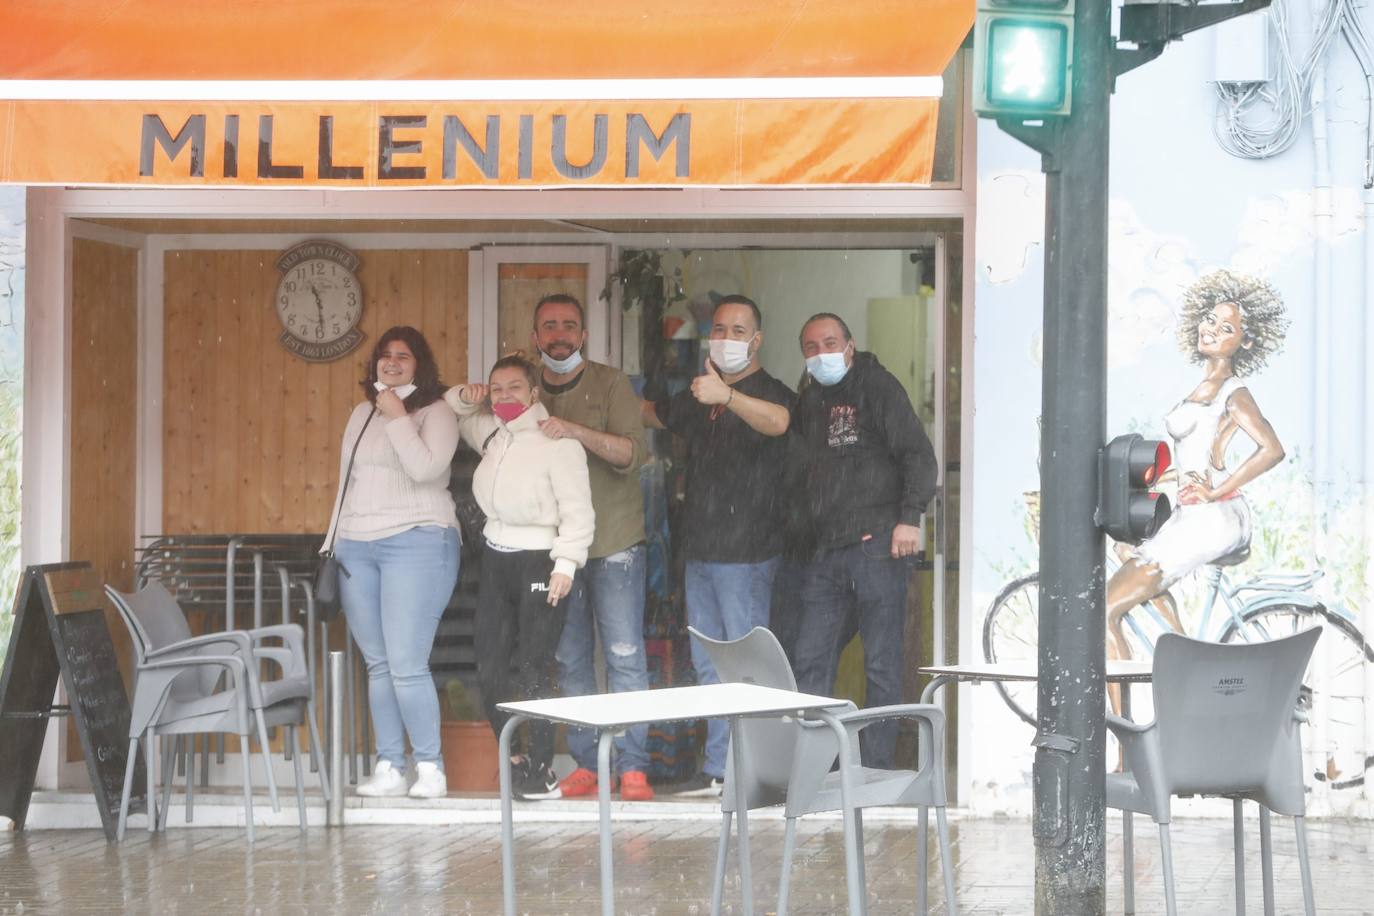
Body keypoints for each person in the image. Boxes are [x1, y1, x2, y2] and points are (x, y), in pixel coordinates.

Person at [641, 295, 794, 796]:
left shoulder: (769, 392)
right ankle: (720, 769)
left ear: (757, 339)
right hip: (702, 553)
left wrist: (727, 396)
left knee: (748, 668)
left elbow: (779, 422)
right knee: (710, 667)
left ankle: (757, 772)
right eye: (719, 328)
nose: (726, 338)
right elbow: (656, 415)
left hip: (747, 554)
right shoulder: (700, 392)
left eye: (737, 329)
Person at [1107, 271, 1288, 666]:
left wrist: (1214, 492)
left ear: (1245, 341)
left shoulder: (1233, 392)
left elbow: (1272, 450)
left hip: (1214, 517)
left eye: (1226, 328)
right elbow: (1197, 462)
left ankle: (1122, 727)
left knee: (1104, 611)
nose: (1211, 330)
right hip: (1201, 511)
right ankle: (1186, 655)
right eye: (1209, 319)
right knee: (1125, 549)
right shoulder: (1203, 388)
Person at [790, 312, 938, 769]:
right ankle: (813, 765)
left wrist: (910, 519)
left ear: (850, 346)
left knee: (881, 662)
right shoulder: (810, 396)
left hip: (877, 546)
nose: (821, 353)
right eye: (811, 347)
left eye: (830, 343)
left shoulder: (877, 387)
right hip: (826, 549)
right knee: (812, 659)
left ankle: (873, 769)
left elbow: (918, 454)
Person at [445, 357, 595, 800]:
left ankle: (542, 768)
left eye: (514, 387)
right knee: (490, 663)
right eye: (496, 388)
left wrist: (566, 564)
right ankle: (512, 757)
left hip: (541, 561)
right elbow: (453, 410)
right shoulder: (493, 433)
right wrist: (465, 395)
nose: (504, 396)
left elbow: (579, 512)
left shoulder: (559, 442)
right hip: (495, 557)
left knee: (533, 665)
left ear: (534, 393)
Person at [325, 326, 461, 799]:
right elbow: (348, 481)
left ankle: (430, 768)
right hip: (357, 546)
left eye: (403, 356)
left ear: (419, 365)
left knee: (406, 663)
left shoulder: (437, 411)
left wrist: (399, 416)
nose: (392, 362)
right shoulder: (361, 413)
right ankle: (389, 765)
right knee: (379, 664)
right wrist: (334, 541)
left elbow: (427, 469)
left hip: (418, 539)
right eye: (385, 356)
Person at [532, 293, 656, 801]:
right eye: (549, 326)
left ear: (583, 335)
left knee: (625, 655)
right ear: (535, 336)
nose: (559, 334)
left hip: (615, 540)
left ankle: (633, 767)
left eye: (569, 325)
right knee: (571, 660)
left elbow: (632, 452)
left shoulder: (611, 382)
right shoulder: (525, 387)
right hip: (556, 548)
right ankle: (588, 763)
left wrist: (572, 430)